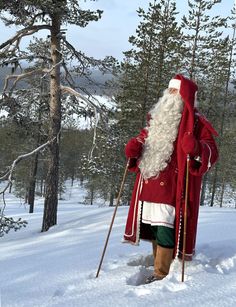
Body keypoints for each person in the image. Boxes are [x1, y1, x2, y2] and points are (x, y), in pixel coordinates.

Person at [123, 74, 219, 283]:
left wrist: (196, 148)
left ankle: (161, 272)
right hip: (149, 182)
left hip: (172, 188)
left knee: (165, 226)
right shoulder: (157, 118)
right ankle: (159, 260)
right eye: (170, 90)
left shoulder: (197, 123)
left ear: (185, 96)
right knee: (154, 226)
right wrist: (136, 146)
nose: (170, 94)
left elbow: (212, 151)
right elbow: (144, 136)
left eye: (175, 91)